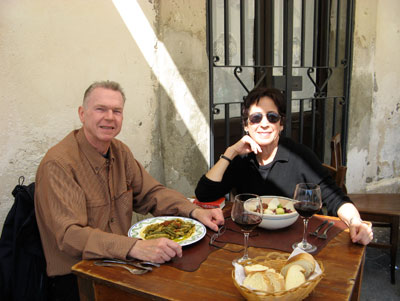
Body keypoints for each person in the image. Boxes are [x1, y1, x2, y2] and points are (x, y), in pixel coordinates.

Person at [35, 80, 224, 301]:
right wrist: (134, 247)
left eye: (117, 111)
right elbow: (70, 235)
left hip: (122, 264)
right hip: (78, 277)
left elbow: (152, 193)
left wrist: (194, 211)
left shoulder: (119, 151)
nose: (109, 117)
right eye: (100, 109)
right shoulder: (58, 164)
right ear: (82, 114)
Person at [195, 87, 373, 246]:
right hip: (248, 240)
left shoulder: (299, 155)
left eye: (271, 117)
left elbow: (335, 198)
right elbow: (204, 193)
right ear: (246, 125)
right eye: (256, 118)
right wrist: (231, 152)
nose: (264, 124)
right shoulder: (242, 159)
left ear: (280, 125)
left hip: (294, 243)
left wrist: (356, 221)